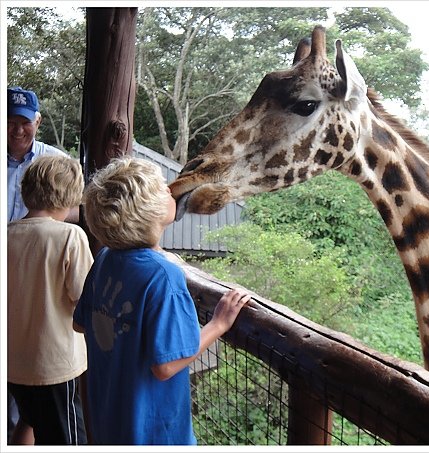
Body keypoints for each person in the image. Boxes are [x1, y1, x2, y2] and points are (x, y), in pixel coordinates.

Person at [73, 157, 250, 445]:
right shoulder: (164, 277)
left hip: (109, 420)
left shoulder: (106, 258)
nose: (170, 191)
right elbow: (166, 365)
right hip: (154, 434)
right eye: (162, 190)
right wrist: (219, 324)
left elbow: (80, 324)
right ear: (149, 212)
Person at [7, 155, 93, 445]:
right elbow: (85, 302)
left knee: (28, 419)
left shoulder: (7, 235)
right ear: (70, 198)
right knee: (67, 441)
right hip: (54, 366)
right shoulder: (71, 237)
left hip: (13, 363)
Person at [7, 86, 76, 222]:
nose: (18, 130)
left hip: (40, 242)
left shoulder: (58, 162)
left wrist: (44, 219)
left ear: (37, 122)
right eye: (11, 123)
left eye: (26, 122)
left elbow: (79, 208)